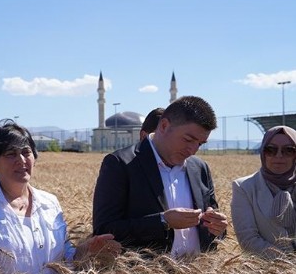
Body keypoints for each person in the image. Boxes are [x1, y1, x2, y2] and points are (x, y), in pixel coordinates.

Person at [0, 120, 121, 274]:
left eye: (26, 152)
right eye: (11, 154)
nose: (21, 160)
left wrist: (86, 249)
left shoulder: (50, 203)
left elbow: (65, 259)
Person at [92, 96, 228, 258]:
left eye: (200, 143)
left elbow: (215, 230)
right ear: (164, 126)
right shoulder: (120, 164)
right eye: (188, 139)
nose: (193, 150)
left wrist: (218, 227)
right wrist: (163, 221)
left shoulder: (199, 168)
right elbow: (104, 230)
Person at [231, 126, 296, 259]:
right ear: (263, 152)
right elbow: (248, 239)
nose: (279, 156)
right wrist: (287, 263)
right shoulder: (244, 187)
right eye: (270, 149)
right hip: (264, 272)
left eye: (288, 150)